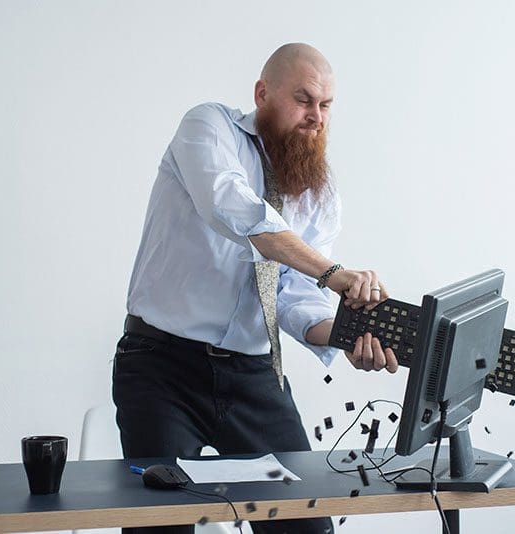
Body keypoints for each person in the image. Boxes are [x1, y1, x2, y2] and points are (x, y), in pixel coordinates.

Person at [112, 43, 398, 534]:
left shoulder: (319, 193)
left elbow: (291, 293)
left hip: (253, 374)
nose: (316, 117)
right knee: (163, 529)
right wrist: (333, 273)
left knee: (305, 527)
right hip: (162, 369)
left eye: (326, 106)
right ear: (262, 93)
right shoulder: (208, 127)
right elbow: (234, 209)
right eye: (303, 100)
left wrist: (347, 336)